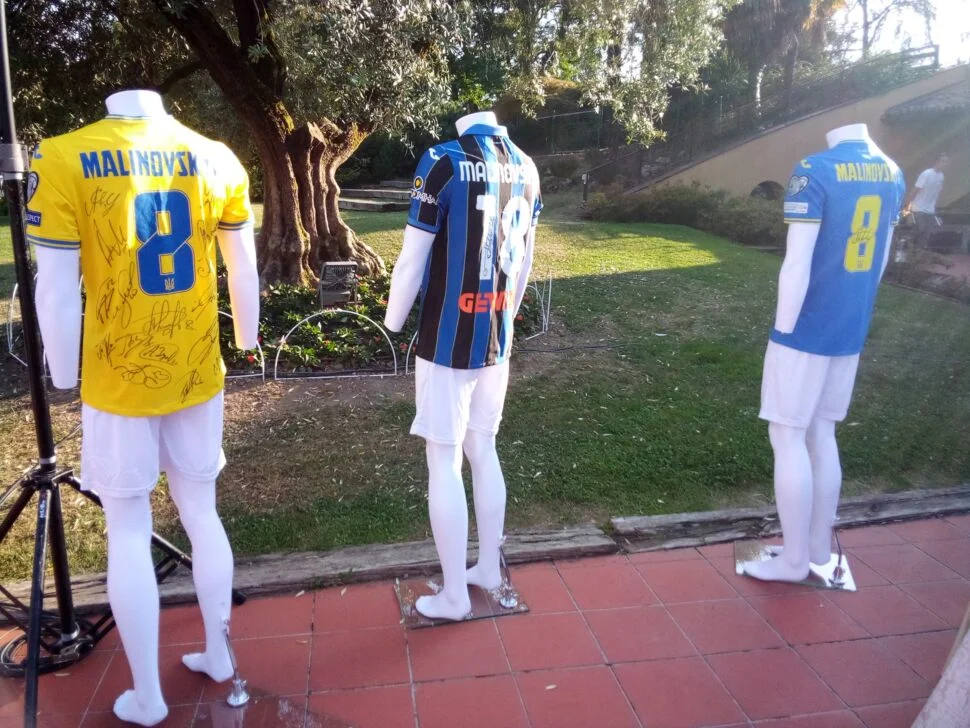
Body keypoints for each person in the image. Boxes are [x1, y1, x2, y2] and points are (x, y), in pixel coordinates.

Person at [27, 89, 259, 726]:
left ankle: (149, 697)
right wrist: (246, 337)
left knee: (127, 528)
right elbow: (242, 266)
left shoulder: (65, 156)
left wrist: (64, 372)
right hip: (195, 370)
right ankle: (220, 654)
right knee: (202, 513)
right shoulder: (217, 156)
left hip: (119, 378)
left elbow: (54, 288)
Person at [384, 110, 542, 620]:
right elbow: (526, 260)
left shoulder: (442, 161)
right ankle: (489, 569)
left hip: (447, 341)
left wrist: (391, 322)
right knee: (483, 448)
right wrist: (507, 316)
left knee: (445, 459)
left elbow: (411, 259)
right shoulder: (528, 167)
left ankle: (454, 595)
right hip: (497, 336)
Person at [742, 123, 905, 583]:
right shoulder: (892, 172)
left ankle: (795, 561)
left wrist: (783, 328)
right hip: (850, 324)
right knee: (822, 431)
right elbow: (882, 258)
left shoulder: (816, 169)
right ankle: (815, 547)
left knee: (787, 434)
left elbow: (796, 262)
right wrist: (860, 309)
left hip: (807, 326)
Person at [902, 152, 950, 248]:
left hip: (930, 210)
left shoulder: (941, 176)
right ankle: (907, 245)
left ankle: (919, 252)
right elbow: (916, 189)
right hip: (918, 208)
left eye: (946, 162)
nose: (945, 164)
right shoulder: (926, 174)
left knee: (926, 233)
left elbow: (936, 193)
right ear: (937, 161)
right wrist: (906, 204)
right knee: (920, 228)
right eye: (943, 161)